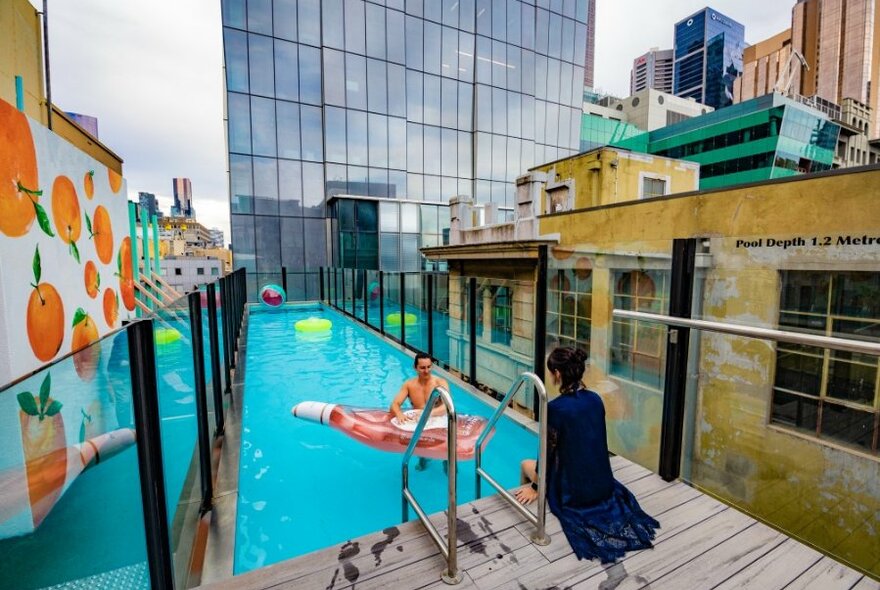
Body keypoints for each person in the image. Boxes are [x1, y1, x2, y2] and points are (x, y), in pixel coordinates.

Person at [514, 347, 659, 563]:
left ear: (557, 374)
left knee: (525, 463)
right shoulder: (595, 399)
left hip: (573, 492)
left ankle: (536, 496)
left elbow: (547, 451)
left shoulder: (555, 408)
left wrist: (536, 486)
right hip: (602, 483)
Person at [389, 352, 449, 471]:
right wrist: (399, 414)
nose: (426, 371)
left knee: (445, 448)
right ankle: (423, 459)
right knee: (421, 447)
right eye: (422, 368)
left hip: (438, 418)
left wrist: (427, 413)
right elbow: (394, 405)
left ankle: (447, 462)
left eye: (429, 367)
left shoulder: (440, 383)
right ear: (415, 367)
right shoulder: (409, 385)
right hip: (419, 421)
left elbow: (447, 407)